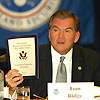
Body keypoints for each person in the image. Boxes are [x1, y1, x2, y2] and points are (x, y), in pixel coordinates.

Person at [5, 10, 100, 99]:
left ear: (76, 37)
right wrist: (12, 89)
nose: (61, 36)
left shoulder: (93, 60)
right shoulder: (31, 58)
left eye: (67, 31)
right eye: (56, 30)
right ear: (49, 34)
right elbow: (20, 94)